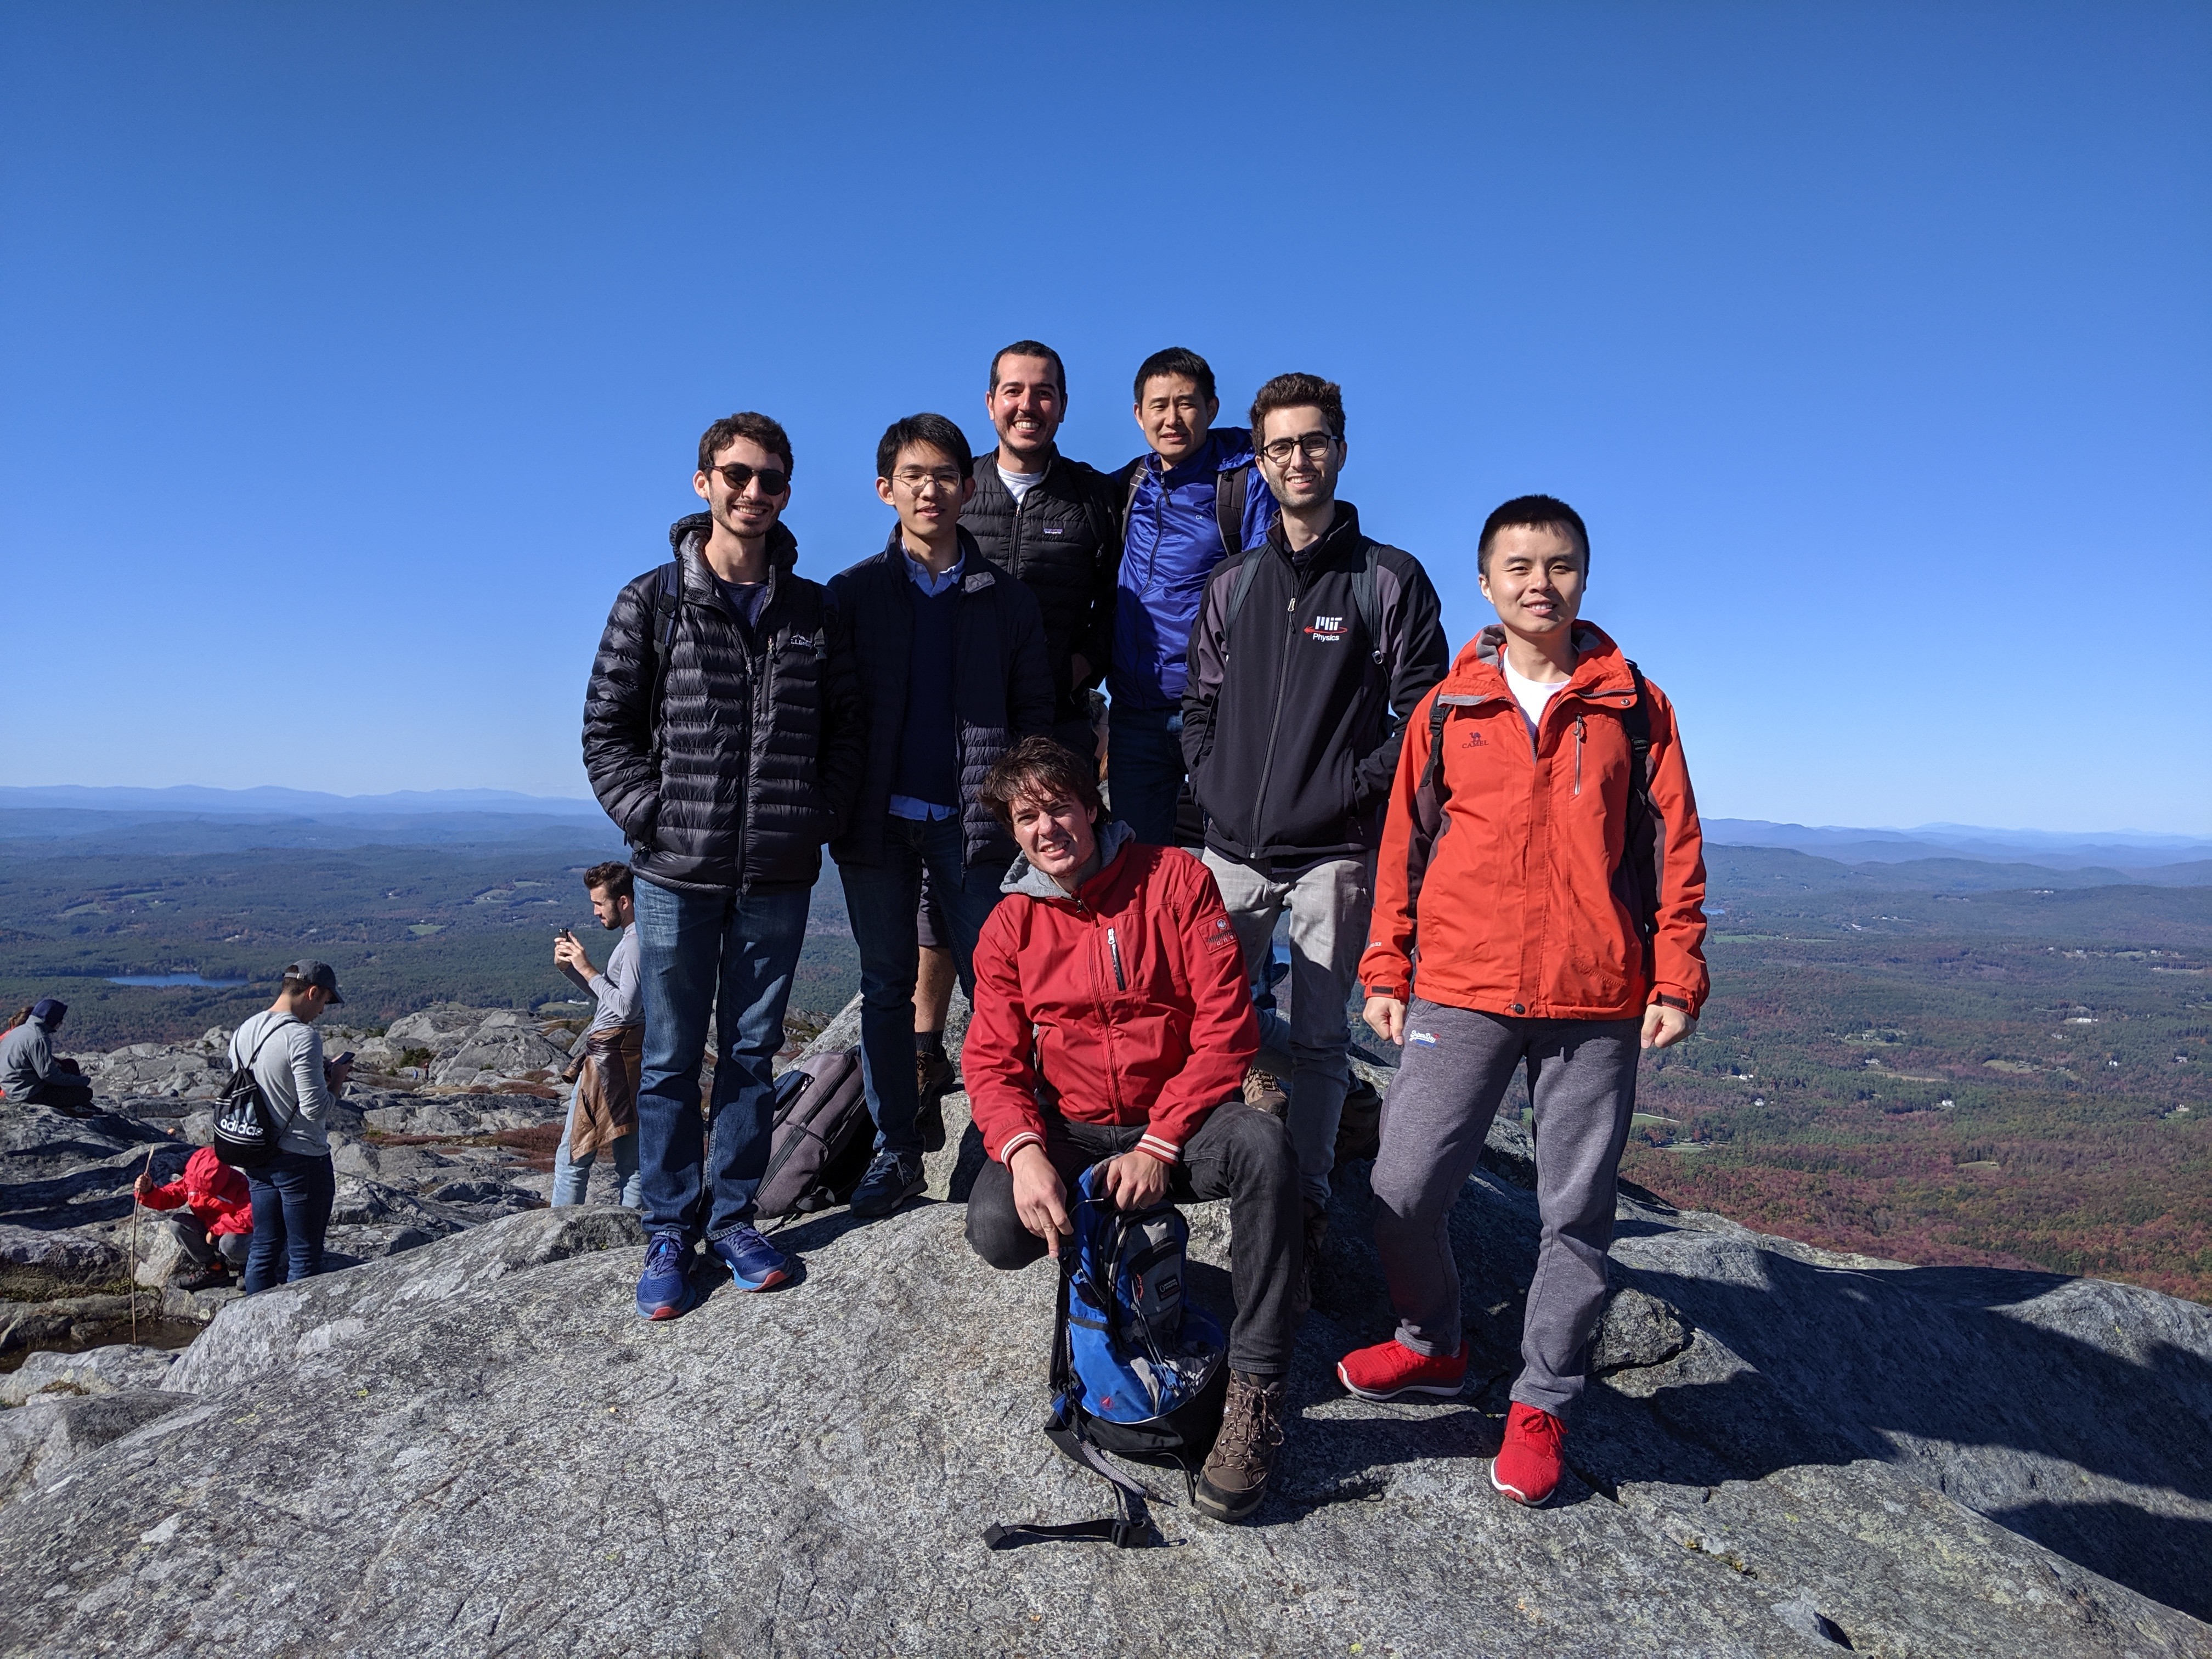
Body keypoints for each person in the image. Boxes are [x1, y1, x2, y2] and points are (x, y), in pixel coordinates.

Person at [1339, 494, 1710, 1510]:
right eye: (1518, 565)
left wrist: (1675, 973)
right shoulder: (1450, 707)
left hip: (1596, 992)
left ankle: (1541, 1396)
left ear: (1583, 577)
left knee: (1575, 1212)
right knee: (1402, 1186)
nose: (1538, 582)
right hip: (1460, 982)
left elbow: (1674, 848)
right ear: (1486, 582)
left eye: (1558, 565)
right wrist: (1386, 966)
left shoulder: (1634, 703)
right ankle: (1433, 1340)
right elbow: (1402, 847)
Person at [963, 737, 1301, 1524]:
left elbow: (1226, 1027)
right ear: (1012, 833)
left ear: (1091, 806)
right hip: (1074, 1127)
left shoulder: (1176, 880)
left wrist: (1161, 1142)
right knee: (997, 1230)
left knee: (1262, 1148)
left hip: (1170, 1120)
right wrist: (1023, 1154)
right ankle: (1121, 1272)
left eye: (1058, 808)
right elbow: (991, 1059)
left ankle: (1256, 1389)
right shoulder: (1010, 925)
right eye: (1026, 817)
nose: (1046, 828)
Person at [583, 411, 864, 1321]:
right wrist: (652, 818)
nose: (752, 492)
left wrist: (814, 816)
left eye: (770, 480)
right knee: (668, 1056)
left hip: (778, 873)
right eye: (736, 475)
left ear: (786, 493)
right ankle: (669, 1228)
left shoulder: (814, 611)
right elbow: (607, 731)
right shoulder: (652, 600)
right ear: (702, 481)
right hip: (674, 875)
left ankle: (735, 1214)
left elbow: (846, 733)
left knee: (749, 1053)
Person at [1182, 373, 1449, 1310]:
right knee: (1209, 1022)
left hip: (1333, 851)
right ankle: (1222, 1179)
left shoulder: (1386, 577)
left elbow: (1424, 712)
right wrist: (1208, 776)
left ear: (1340, 449)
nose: (1298, 459)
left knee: (1324, 1037)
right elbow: (1200, 701)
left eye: (1314, 442)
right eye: (1281, 447)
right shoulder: (1235, 582)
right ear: (1259, 462)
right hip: (1230, 849)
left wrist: (1349, 790)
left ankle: (1303, 1201)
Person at [827, 414, 1053, 1220]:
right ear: (887, 489)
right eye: (915, 476)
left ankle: (1009, 1143)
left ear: (969, 486)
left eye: (948, 475)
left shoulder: (1008, 602)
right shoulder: (852, 596)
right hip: (877, 824)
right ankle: (897, 1149)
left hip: (975, 827)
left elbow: (1035, 714)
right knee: (887, 988)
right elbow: (831, 714)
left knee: (1002, 989)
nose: (932, 489)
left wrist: (1020, 808)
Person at [904, 341, 1126, 1103]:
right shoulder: (955, 485)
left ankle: (1057, 1035)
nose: (1027, 405)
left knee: (1057, 871)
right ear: (990, 402)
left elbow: (1119, 604)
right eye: (1012, 391)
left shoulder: (1093, 499)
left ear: (1062, 403)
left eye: (1043, 392)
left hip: (1054, 718)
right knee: (948, 875)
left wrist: (1086, 666)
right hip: (961, 721)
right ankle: (927, 1043)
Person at [1108, 347, 1279, 849]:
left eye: (1186, 403)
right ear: (1138, 414)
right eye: (1158, 405)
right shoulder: (1127, 487)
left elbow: (1262, 587)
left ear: (1212, 408)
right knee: (1137, 864)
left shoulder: (1245, 481)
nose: (1172, 418)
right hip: (1136, 711)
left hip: (1215, 708)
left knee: (1233, 862)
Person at [228, 961, 351, 1293]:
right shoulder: (302, 1036)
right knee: (303, 1256)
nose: (323, 1011)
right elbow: (315, 1109)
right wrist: (336, 1081)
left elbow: (266, 1084)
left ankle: (254, 1323)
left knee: (264, 1248)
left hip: (256, 1152)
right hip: (301, 1159)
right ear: (312, 992)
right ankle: (295, 1334)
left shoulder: (244, 1030)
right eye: (324, 1001)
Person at [549, 860, 644, 1209]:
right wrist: (573, 972)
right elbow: (612, 998)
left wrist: (587, 967)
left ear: (624, 902)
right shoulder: (636, 939)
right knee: (631, 1162)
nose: (595, 912)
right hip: (629, 1058)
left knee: (573, 1156)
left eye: (599, 903)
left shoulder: (633, 946)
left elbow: (625, 1008)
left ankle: (559, 1233)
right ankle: (634, 1235)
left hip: (607, 1062)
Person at [134, 1145, 253, 1291]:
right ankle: (215, 1269)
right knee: (177, 1224)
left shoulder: (240, 1184)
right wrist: (149, 1191)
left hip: (234, 1235)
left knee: (229, 1243)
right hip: (211, 1233)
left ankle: (248, 1266)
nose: (196, 1189)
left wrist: (217, 1231)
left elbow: (250, 1218)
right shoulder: (193, 1180)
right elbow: (170, 1197)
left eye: (203, 1186)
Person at [0, 1000, 93, 1111]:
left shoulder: (20, 1030)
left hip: (14, 1087)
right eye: (60, 1020)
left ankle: (80, 1103)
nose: (61, 1023)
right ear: (52, 1020)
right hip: (26, 1094)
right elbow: (49, 1075)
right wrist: (81, 1081)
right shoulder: (38, 1038)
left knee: (69, 1065)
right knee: (85, 1094)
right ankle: (74, 1108)